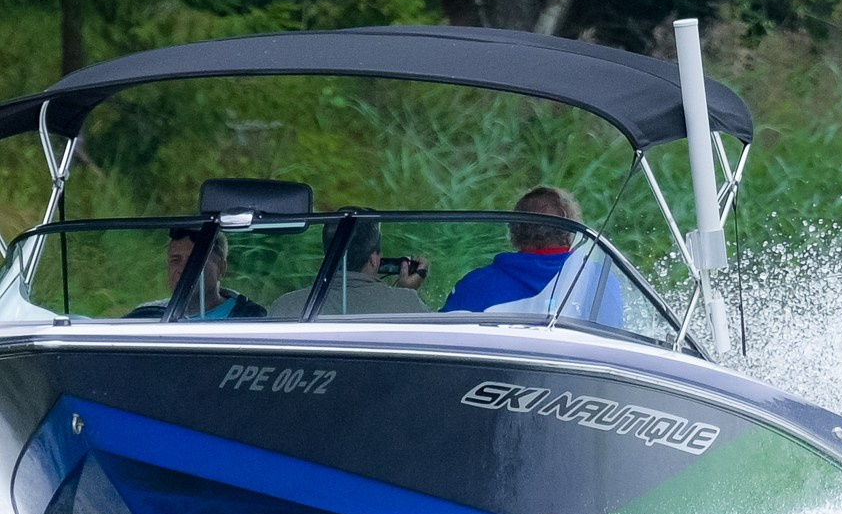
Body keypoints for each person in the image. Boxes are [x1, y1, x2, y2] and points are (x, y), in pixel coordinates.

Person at [441, 186, 582, 312]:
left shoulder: (475, 285)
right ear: (569, 233)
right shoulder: (595, 279)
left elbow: (440, 334)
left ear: (514, 230)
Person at [268, 214, 429, 318]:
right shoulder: (408, 304)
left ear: (328, 256)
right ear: (374, 259)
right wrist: (404, 293)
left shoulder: (286, 307)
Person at [129, 229, 267, 319]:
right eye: (175, 260)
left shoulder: (251, 320)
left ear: (221, 267)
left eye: (195, 260)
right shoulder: (145, 317)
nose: (183, 269)